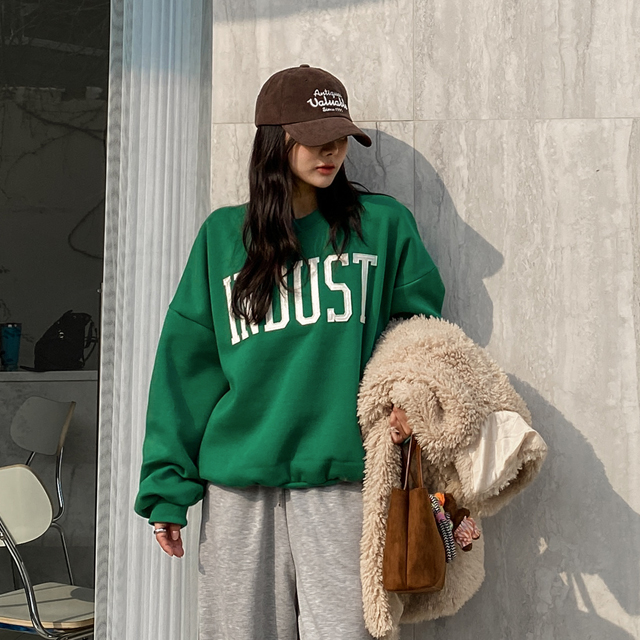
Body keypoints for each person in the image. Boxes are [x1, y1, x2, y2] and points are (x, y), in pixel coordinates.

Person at [134, 64, 445, 640]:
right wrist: (167, 489)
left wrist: (409, 402)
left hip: (343, 477)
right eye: (314, 137)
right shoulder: (223, 237)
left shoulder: (382, 227)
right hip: (238, 485)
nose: (332, 151)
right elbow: (186, 370)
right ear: (276, 140)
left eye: (340, 137)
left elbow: (421, 335)